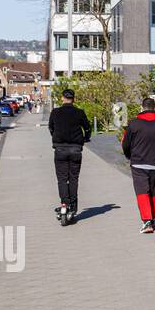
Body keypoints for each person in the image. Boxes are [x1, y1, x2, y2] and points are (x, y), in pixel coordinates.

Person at [121, 97, 155, 234]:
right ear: (154, 107)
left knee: (142, 191)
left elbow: (126, 143)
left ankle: (147, 221)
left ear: (142, 107)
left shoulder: (133, 124)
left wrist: (128, 155)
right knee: (154, 191)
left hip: (139, 163)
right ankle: (154, 216)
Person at [48, 89, 92, 224]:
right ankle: (73, 206)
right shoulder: (79, 113)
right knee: (73, 178)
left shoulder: (55, 112)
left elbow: (51, 128)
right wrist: (85, 138)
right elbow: (88, 128)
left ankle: (64, 204)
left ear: (62, 98)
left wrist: (56, 138)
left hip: (60, 149)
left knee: (62, 179)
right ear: (74, 99)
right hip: (75, 150)